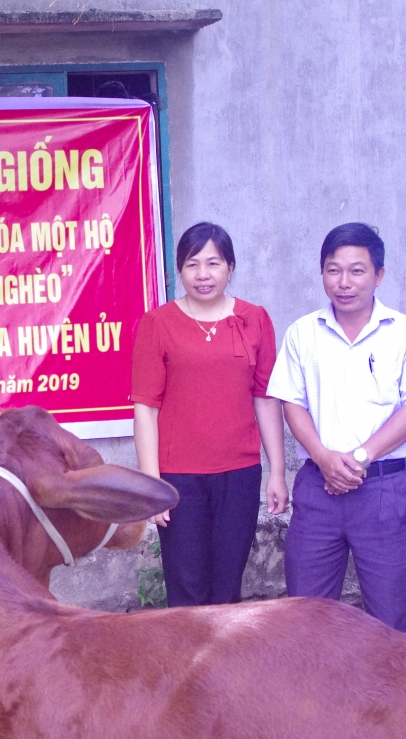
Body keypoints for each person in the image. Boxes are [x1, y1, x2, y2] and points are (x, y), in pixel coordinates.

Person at [267, 222, 406, 633]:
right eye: (334, 270)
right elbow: (291, 402)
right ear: (322, 274)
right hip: (319, 489)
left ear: (379, 275)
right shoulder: (303, 333)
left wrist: (357, 458)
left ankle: (395, 700)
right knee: (307, 617)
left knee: (393, 621)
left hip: (384, 491)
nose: (344, 282)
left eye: (357, 270)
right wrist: (322, 457)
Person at [131, 222, 287, 606]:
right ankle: (188, 665)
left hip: (239, 475)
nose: (203, 274)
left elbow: (266, 398)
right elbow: (145, 409)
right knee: (186, 586)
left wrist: (278, 472)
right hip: (179, 478)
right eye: (192, 264)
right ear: (178, 271)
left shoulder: (256, 319)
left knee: (227, 584)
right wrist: (153, 485)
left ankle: (223, 665)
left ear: (230, 267)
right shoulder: (157, 324)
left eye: (213, 263)